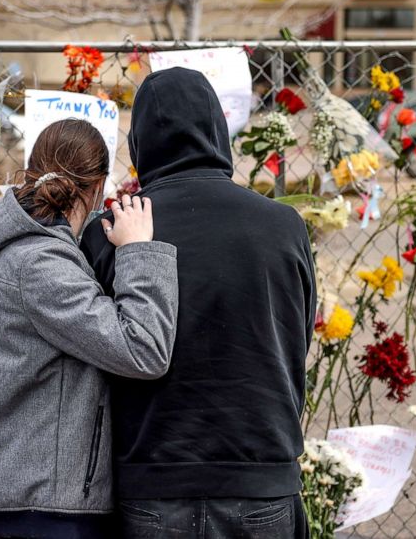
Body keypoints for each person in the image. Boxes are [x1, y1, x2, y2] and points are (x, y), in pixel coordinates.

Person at [80, 67, 317, 539]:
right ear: (217, 131)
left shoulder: (111, 231)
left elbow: (92, 354)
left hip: (150, 477)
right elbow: (298, 334)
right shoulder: (283, 226)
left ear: (139, 144)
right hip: (260, 475)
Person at [0, 118, 179, 539]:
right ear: (97, 188)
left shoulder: (32, 253)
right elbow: (143, 350)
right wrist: (139, 251)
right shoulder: (41, 266)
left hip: (27, 492)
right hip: (40, 503)